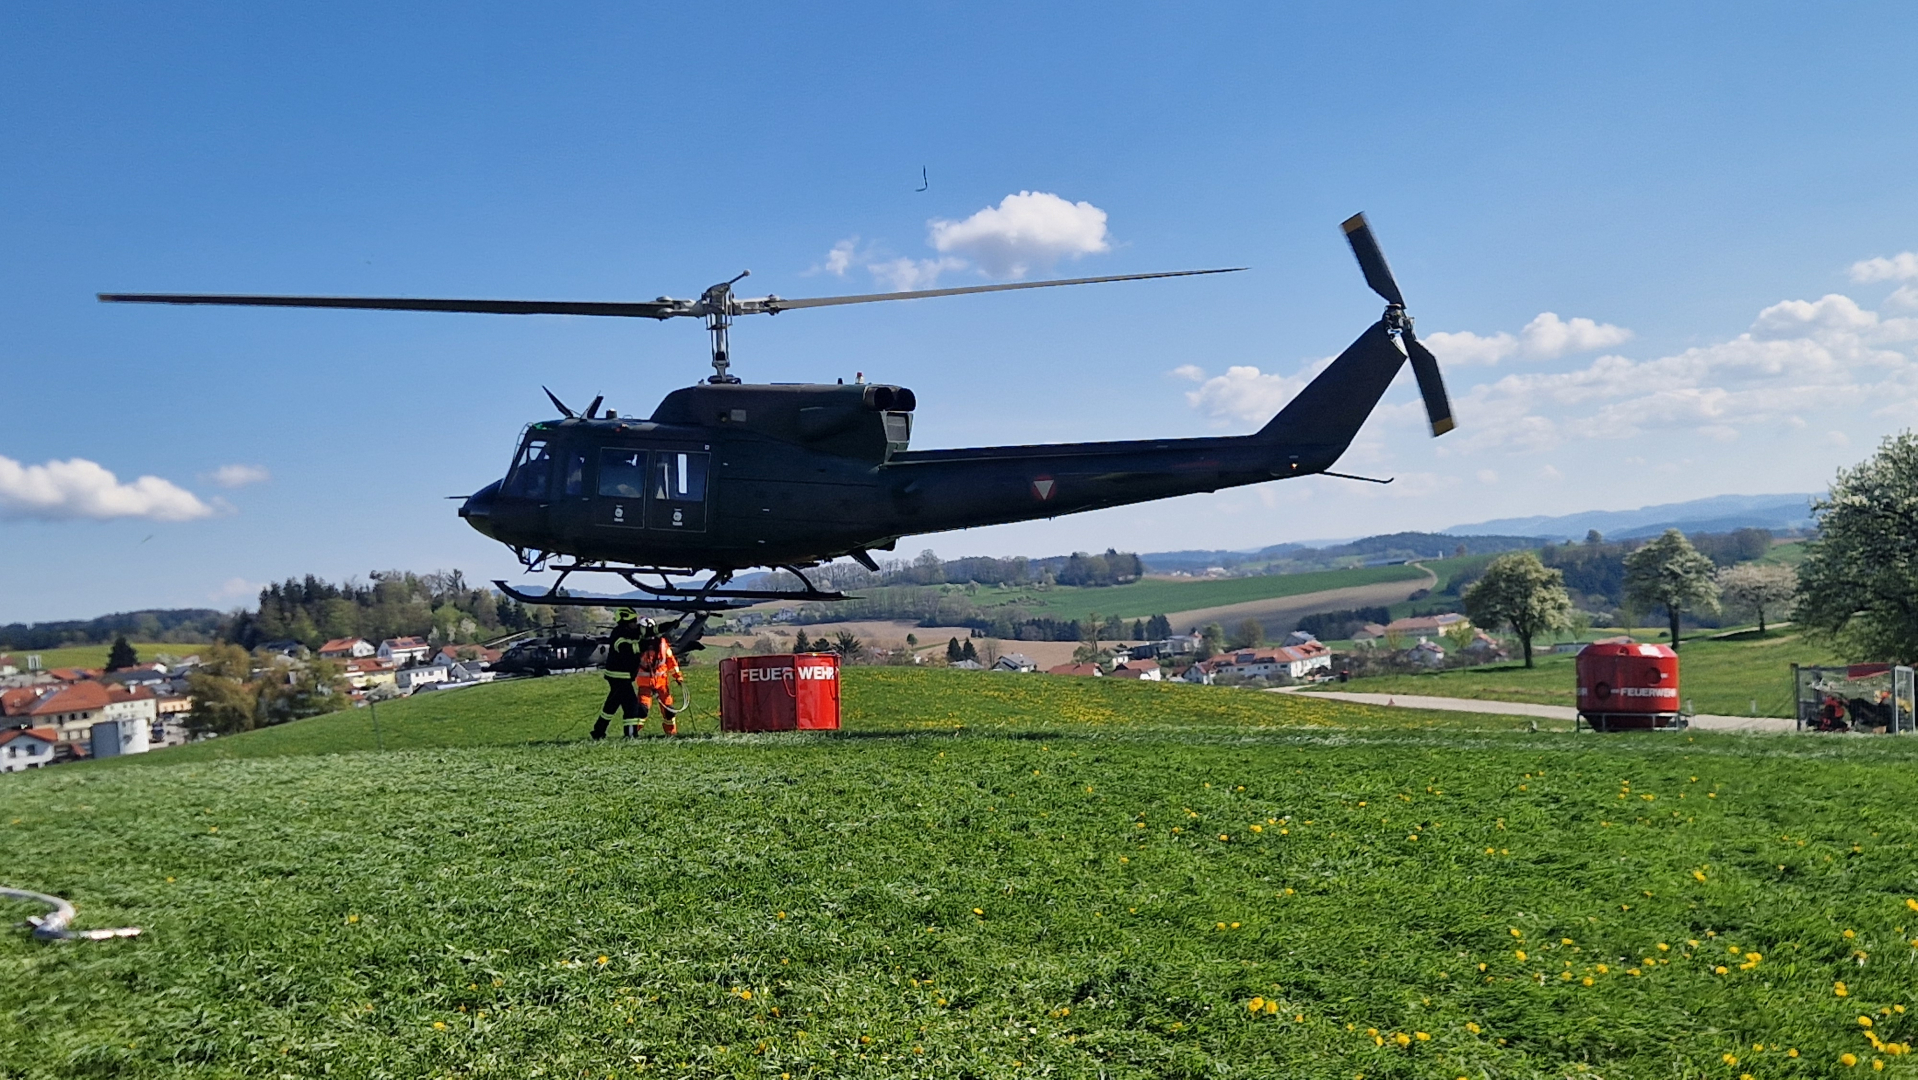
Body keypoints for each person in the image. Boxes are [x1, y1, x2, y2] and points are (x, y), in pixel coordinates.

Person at [594, 608, 649, 739]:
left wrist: (670, 624)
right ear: (625, 622)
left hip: (621, 677)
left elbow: (650, 631)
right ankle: (630, 735)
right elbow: (628, 649)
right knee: (631, 707)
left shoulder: (631, 631)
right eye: (632, 621)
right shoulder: (619, 634)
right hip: (619, 677)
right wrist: (645, 644)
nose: (635, 623)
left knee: (612, 705)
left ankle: (598, 731)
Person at [635, 620, 685, 735]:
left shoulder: (663, 644)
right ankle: (633, 733)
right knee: (642, 710)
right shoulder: (637, 645)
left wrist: (678, 676)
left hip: (662, 684)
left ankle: (671, 734)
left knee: (669, 711)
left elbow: (671, 662)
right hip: (644, 685)